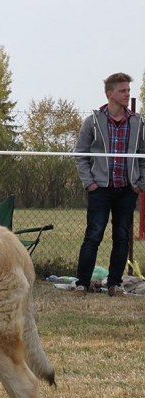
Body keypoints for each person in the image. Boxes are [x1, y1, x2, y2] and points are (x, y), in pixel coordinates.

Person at [73, 72, 145, 297]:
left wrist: (139, 184)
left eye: (128, 91)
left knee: (121, 237)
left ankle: (115, 284)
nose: (127, 95)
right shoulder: (93, 121)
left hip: (127, 189)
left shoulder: (137, 122)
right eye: (123, 91)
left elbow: (143, 156)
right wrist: (90, 183)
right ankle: (82, 284)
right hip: (100, 190)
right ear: (110, 94)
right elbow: (80, 154)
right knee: (93, 236)